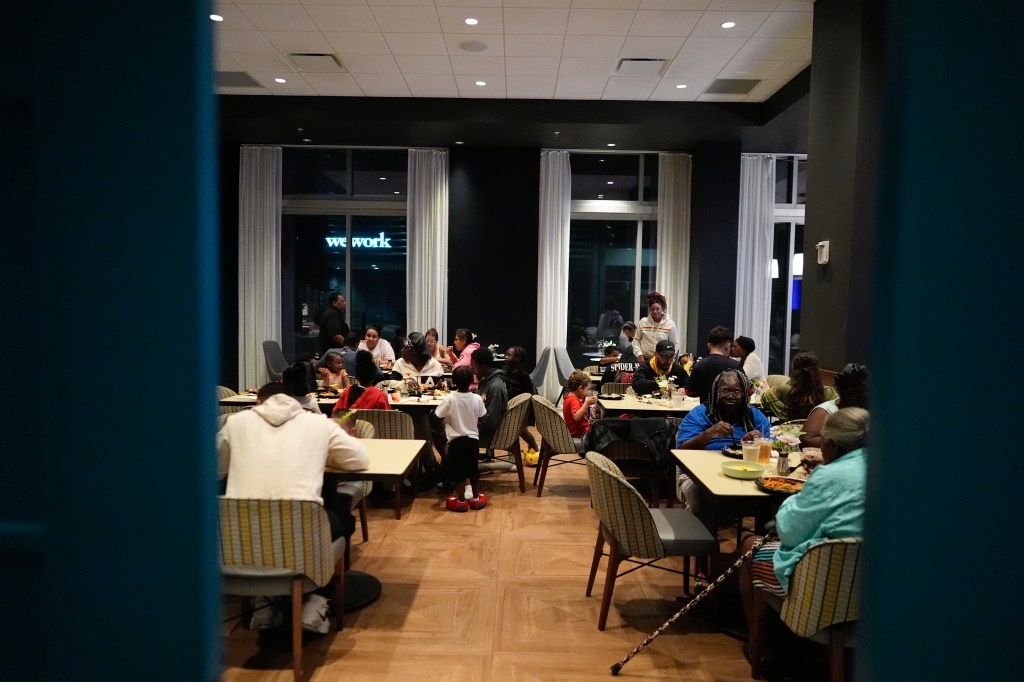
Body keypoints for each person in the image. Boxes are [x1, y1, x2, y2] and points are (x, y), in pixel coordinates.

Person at [217, 381, 369, 633]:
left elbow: (215, 469)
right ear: (298, 403)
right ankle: (317, 601)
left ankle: (263, 603)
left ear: (258, 404)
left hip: (241, 548)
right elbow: (359, 459)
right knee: (339, 515)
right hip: (302, 546)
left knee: (255, 516)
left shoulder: (235, 423)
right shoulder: (318, 423)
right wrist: (325, 454)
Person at [739, 407, 869, 647]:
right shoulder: (893, 470)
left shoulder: (829, 476)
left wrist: (815, 479)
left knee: (749, 544)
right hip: (874, 587)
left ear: (829, 444)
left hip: (825, 583)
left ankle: (760, 644)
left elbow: (789, 531)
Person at [675, 370, 772, 510]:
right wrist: (709, 433)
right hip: (700, 473)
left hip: (746, 472)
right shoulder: (700, 414)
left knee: (772, 491)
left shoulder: (754, 416)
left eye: (736, 391)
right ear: (716, 391)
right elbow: (682, 450)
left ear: (744, 393)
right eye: (725, 390)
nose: (731, 396)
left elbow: (772, 446)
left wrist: (761, 440)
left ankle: (763, 530)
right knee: (702, 494)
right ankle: (702, 531)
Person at [435, 366, 488, 512]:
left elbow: (437, 416)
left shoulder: (450, 399)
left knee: (458, 472)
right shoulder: (477, 398)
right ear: (472, 380)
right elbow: (483, 416)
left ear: (453, 381)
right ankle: (476, 498)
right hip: (472, 440)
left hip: (456, 441)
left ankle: (461, 500)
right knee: (473, 470)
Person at [800, 363, 869, 449]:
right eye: (868, 392)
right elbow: (806, 439)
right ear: (852, 394)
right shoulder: (826, 411)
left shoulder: (867, 410)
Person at [761, 351, 838, 421]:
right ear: (817, 370)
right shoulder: (828, 393)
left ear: (794, 370)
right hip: (817, 434)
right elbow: (838, 411)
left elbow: (765, 397)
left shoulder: (783, 390)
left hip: (787, 434)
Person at [495, 345, 539, 452]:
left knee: (521, 431)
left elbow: (532, 392)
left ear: (517, 359)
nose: (505, 357)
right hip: (507, 406)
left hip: (520, 408)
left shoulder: (523, 375)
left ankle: (535, 448)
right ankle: (513, 452)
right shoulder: (504, 370)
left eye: (509, 355)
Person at [685, 325, 742, 404]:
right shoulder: (736, 365)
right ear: (728, 346)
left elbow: (689, 392)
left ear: (709, 345)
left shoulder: (699, 365)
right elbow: (749, 391)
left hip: (706, 412)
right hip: (731, 413)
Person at [471, 347, 507, 450]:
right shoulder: (485, 381)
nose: (473, 372)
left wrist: (469, 424)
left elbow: (491, 421)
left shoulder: (495, 387)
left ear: (483, 366)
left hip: (487, 436)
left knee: (444, 433)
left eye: (474, 368)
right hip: (479, 429)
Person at [632, 291, 679, 363]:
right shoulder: (643, 322)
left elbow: (675, 344)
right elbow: (636, 340)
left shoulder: (670, 324)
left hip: (663, 361)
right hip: (645, 360)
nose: (655, 311)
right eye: (652, 309)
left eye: (657, 309)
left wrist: (671, 358)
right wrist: (639, 355)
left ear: (662, 308)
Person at [562, 370, 597, 452]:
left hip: (578, 430)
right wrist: (586, 404)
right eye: (587, 389)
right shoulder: (574, 400)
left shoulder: (569, 397)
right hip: (580, 433)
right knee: (603, 428)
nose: (587, 392)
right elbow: (576, 417)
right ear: (580, 388)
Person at [318, 292, 350, 357]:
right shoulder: (332, 315)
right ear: (334, 303)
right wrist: (349, 346)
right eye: (342, 301)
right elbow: (336, 335)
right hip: (333, 352)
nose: (345, 303)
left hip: (333, 351)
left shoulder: (333, 313)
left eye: (344, 301)